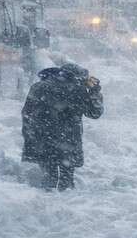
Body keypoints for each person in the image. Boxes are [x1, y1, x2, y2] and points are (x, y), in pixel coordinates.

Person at [21, 57, 104, 191]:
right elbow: (95, 112)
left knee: (48, 178)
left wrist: (29, 136)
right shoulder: (77, 90)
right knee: (66, 183)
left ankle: (45, 204)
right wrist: (94, 92)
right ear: (76, 77)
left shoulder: (38, 87)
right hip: (67, 143)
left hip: (41, 140)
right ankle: (65, 205)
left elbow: (26, 113)